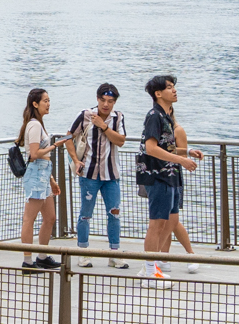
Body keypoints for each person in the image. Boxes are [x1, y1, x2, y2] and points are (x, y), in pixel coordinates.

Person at [137, 73, 205, 278]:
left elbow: (165, 146)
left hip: (169, 176)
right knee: (156, 224)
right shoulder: (154, 116)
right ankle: (150, 271)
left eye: (173, 86)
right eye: (169, 87)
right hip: (158, 176)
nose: (174, 90)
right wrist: (182, 160)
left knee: (169, 221)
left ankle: (152, 265)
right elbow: (150, 148)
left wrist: (187, 152)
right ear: (158, 94)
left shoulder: (167, 117)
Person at [65, 83, 131, 268]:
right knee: (85, 214)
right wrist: (76, 161)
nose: (106, 105)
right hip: (88, 174)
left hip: (111, 175)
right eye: (103, 100)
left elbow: (121, 141)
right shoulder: (85, 115)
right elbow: (68, 137)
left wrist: (103, 127)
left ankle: (114, 253)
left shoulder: (118, 118)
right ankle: (83, 251)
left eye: (110, 101)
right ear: (97, 99)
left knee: (114, 214)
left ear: (115, 102)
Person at [15, 88, 61, 269]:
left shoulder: (38, 124)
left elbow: (41, 159)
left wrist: (52, 180)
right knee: (29, 218)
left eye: (49, 100)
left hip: (43, 174)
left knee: (50, 217)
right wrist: (55, 145)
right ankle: (27, 261)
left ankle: (42, 256)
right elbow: (34, 154)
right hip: (35, 175)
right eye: (45, 101)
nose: (48, 104)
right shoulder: (34, 125)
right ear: (35, 104)